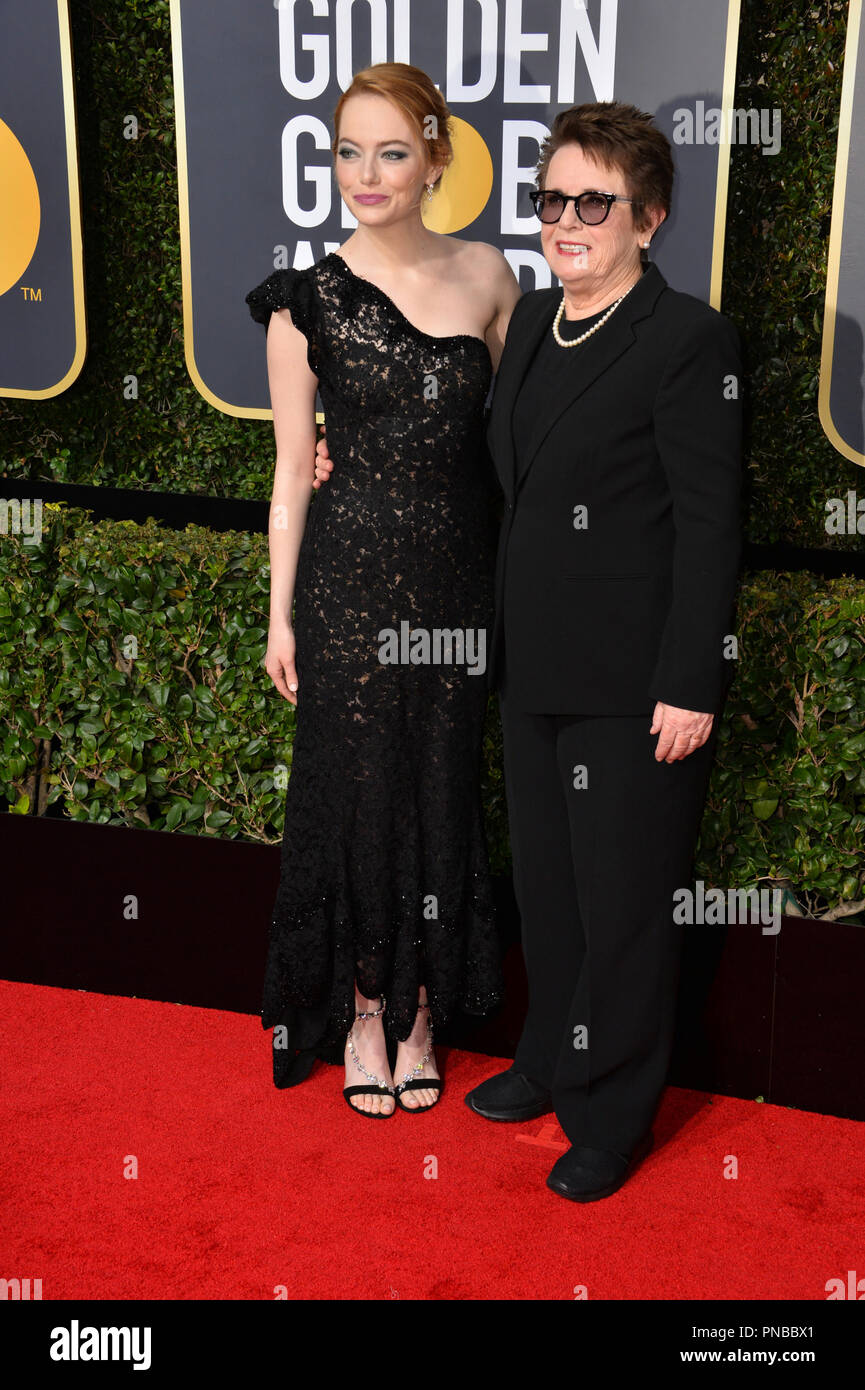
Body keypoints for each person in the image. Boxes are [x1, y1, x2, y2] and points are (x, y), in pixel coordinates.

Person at [314, 100, 742, 1193]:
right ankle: (553, 1059)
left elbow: (709, 521)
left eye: (592, 202)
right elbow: (480, 461)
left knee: (624, 907)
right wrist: (339, 452)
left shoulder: (686, 340)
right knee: (549, 897)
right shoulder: (538, 327)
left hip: (635, 684)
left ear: (647, 217)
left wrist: (690, 678)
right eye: (551, 199)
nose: (565, 220)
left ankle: (612, 1115)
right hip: (532, 668)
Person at [245, 63, 521, 1117]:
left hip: (457, 584)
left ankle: (420, 1011)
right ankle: (365, 1009)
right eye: (347, 151)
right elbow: (285, 473)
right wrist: (279, 611)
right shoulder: (303, 301)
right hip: (346, 582)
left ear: (435, 156)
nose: (367, 173)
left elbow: (515, 450)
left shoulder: (491, 279)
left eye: (391, 151)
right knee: (358, 794)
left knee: (439, 784)